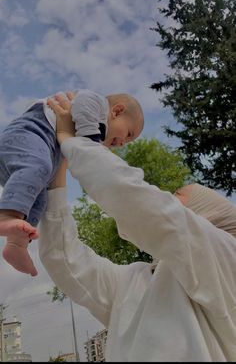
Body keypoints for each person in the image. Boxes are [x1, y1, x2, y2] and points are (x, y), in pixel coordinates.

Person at [39, 94, 236, 362]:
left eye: (177, 194)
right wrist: (56, 177)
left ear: (206, 215)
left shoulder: (225, 259)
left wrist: (74, 141)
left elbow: (145, 206)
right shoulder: (134, 280)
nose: (167, 196)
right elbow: (64, 259)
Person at [0, 89, 144, 277]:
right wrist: (89, 143)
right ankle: (6, 216)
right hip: (29, 134)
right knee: (39, 166)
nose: (124, 143)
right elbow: (82, 107)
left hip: (30, 165)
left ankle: (16, 244)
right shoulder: (96, 103)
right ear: (116, 111)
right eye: (129, 134)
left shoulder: (93, 130)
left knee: (41, 200)